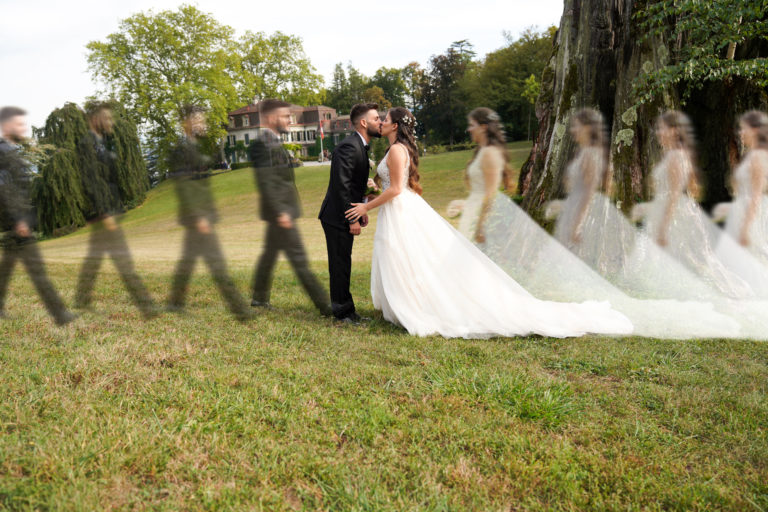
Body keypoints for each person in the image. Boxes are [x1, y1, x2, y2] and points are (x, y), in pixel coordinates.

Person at [344, 107, 633, 339]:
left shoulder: (396, 151)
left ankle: (416, 305)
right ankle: (405, 302)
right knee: (404, 257)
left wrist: (365, 206)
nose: (379, 122)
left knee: (409, 256)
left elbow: (395, 189)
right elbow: (392, 186)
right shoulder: (396, 150)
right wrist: (372, 186)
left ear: (395, 125)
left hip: (401, 210)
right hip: (399, 209)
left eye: (384, 119)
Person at [456, 107, 738, 339]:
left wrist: (658, 223)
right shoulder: (588, 154)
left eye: (577, 127)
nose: (573, 132)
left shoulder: (613, 156)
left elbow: (595, 192)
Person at [167, 105, 251, 322]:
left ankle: (175, 302)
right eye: (198, 120)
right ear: (186, 123)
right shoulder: (181, 150)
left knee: (191, 260)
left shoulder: (196, 148)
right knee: (215, 262)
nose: (203, 124)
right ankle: (238, 308)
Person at [74, 102, 157, 318]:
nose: (111, 122)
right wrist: (104, 211)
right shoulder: (87, 144)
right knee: (122, 259)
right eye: (107, 119)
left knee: (98, 256)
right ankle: (145, 304)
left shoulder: (102, 143)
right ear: (96, 120)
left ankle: (81, 299)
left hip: (110, 207)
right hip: (104, 211)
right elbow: (91, 180)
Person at [249, 99, 331, 315]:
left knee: (269, 255)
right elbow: (266, 182)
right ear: (271, 118)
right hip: (281, 213)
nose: (289, 120)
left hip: (282, 211)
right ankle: (325, 307)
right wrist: (280, 212)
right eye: (285, 116)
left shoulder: (274, 142)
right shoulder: (262, 145)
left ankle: (258, 299)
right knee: (299, 260)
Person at [0, 106, 76, 326]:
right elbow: (4, 188)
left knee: (7, 271)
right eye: (18, 124)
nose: (22, 128)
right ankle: (60, 315)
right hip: (16, 222)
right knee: (37, 271)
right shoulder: (4, 151)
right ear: (6, 126)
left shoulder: (9, 150)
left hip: (15, 223)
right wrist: (18, 220)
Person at [319, 103, 380, 324]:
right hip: (336, 216)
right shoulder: (348, 147)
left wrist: (363, 205)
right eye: (376, 119)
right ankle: (343, 313)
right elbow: (340, 186)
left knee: (344, 262)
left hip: (344, 212)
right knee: (340, 264)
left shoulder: (360, 146)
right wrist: (352, 217)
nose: (379, 122)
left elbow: (355, 184)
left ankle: (346, 310)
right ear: (364, 123)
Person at [723, 111, 768, 260]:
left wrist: (745, 229)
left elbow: (756, 195)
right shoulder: (750, 155)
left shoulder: (757, 156)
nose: (740, 132)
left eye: (744, 128)